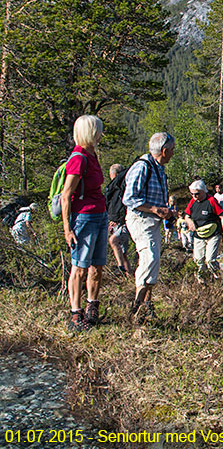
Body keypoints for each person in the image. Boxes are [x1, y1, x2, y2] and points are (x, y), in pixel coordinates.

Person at [60, 115, 108, 332]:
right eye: (98, 130)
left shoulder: (92, 155)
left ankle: (91, 307)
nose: (101, 134)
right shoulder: (79, 158)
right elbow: (66, 195)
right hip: (84, 218)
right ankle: (75, 314)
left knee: (97, 265)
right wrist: (67, 229)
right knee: (79, 267)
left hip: (99, 215)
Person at [123, 132, 176, 323]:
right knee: (149, 259)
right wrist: (155, 209)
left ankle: (146, 305)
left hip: (152, 221)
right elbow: (129, 198)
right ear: (164, 150)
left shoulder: (159, 169)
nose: (172, 154)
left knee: (153, 261)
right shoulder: (142, 167)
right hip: (141, 220)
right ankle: (136, 307)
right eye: (171, 150)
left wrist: (165, 212)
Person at [185, 180, 223, 282]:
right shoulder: (192, 202)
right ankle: (202, 281)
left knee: (210, 260)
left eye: (197, 194)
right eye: (192, 194)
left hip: (213, 234)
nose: (194, 196)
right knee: (198, 260)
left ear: (203, 191)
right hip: (199, 235)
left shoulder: (211, 200)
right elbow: (186, 216)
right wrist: (189, 222)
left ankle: (217, 277)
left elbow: (222, 217)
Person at [104, 164, 132, 275]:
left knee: (113, 241)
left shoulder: (123, 188)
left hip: (124, 222)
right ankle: (128, 274)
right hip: (117, 222)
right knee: (123, 251)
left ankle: (120, 267)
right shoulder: (114, 189)